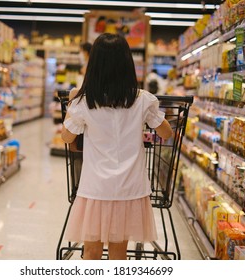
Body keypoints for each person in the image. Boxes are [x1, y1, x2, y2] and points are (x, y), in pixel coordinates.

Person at [61, 33, 173, 260]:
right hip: (129, 189)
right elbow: (166, 133)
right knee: (119, 252)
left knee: (91, 251)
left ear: (94, 66)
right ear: (127, 64)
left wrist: (72, 103)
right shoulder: (142, 99)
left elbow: (66, 136)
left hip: (95, 189)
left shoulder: (84, 102)